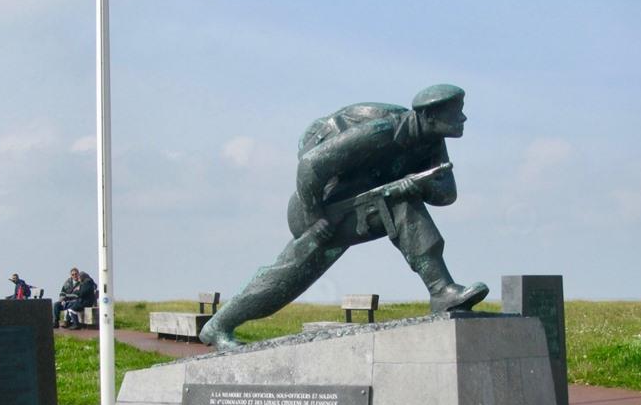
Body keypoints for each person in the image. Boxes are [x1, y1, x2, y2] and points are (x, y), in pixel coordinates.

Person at [200, 84, 488, 350]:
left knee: (402, 200)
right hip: (319, 209)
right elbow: (310, 166)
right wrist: (315, 218)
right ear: (429, 115)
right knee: (287, 277)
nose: (463, 118)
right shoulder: (383, 130)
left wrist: (417, 182)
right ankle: (219, 325)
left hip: (366, 204)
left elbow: (446, 195)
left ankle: (441, 292)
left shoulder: (431, 140)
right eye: (455, 113)